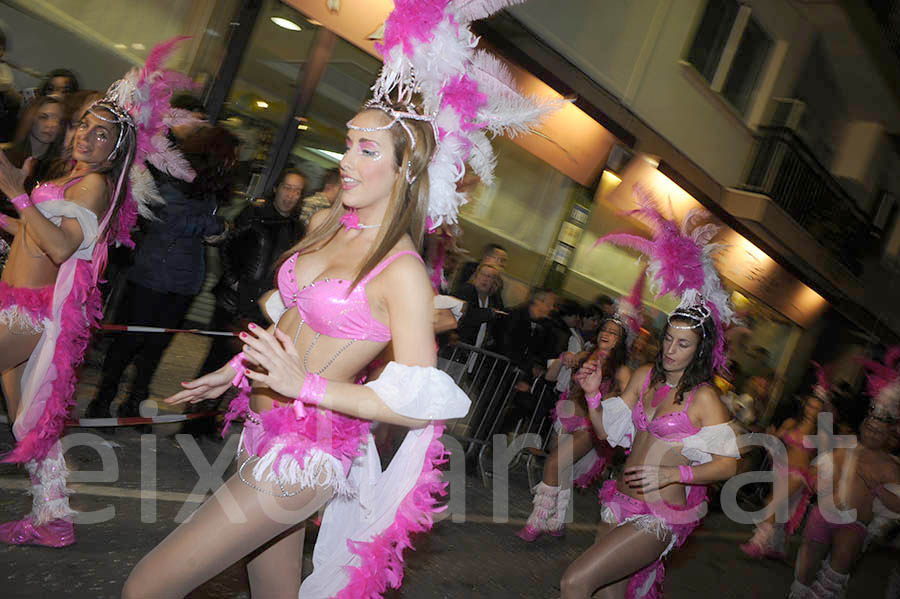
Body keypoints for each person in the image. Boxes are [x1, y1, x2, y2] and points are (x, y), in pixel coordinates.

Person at [121, 1, 554, 595]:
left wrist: (308, 387)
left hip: (305, 455)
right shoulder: (331, 226)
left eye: (367, 151)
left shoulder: (401, 270)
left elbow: (417, 404)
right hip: (262, 431)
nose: (346, 160)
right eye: (349, 143)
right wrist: (234, 370)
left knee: (147, 586)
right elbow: (295, 318)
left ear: (405, 172)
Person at [0, 36, 197, 546]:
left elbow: (61, 246)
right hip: (17, 305)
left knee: (30, 419)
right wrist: (12, 213)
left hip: (26, 312)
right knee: (31, 425)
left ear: (118, 149)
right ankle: (54, 518)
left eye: (102, 132)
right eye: (84, 124)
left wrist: (16, 193)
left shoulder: (92, 185)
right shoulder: (75, 178)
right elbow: (34, 234)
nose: (86, 135)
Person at [559, 184, 741, 598]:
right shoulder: (645, 376)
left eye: (683, 344)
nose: (671, 350)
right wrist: (590, 395)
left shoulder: (705, 399)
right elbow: (607, 435)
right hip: (617, 502)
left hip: (659, 514)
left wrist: (672, 472)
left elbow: (727, 464)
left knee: (575, 582)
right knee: (608, 594)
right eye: (668, 340)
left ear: (700, 351)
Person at [87, 121, 236, 419]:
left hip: (182, 281)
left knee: (157, 347)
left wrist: (217, 228)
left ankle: (134, 404)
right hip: (151, 274)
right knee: (128, 343)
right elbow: (172, 218)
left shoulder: (206, 188)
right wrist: (218, 226)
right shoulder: (171, 176)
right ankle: (102, 403)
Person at [181, 167, 305, 437]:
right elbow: (227, 247)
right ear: (276, 188)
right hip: (233, 303)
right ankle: (191, 423)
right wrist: (235, 283)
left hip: (265, 309)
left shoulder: (298, 229)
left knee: (244, 369)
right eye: (287, 187)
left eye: (296, 190)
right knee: (218, 362)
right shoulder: (254, 215)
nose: (290, 195)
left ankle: (213, 421)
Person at [788, 350, 900, 599]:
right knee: (804, 573)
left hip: (854, 526)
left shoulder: (890, 466)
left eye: (879, 430)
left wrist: (880, 491)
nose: (872, 432)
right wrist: (817, 478)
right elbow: (817, 469)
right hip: (823, 515)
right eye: (869, 426)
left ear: (888, 435)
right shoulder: (844, 447)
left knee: (831, 580)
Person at [740, 366, 827, 560]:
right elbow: (775, 441)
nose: (812, 409)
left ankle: (758, 543)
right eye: (810, 405)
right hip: (781, 469)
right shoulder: (791, 423)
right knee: (781, 509)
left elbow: (825, 458)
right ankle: (777, 546)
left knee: (773, 501)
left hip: (800, 474)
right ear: (805, 405)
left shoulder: (820, 433)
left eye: (816, 407)